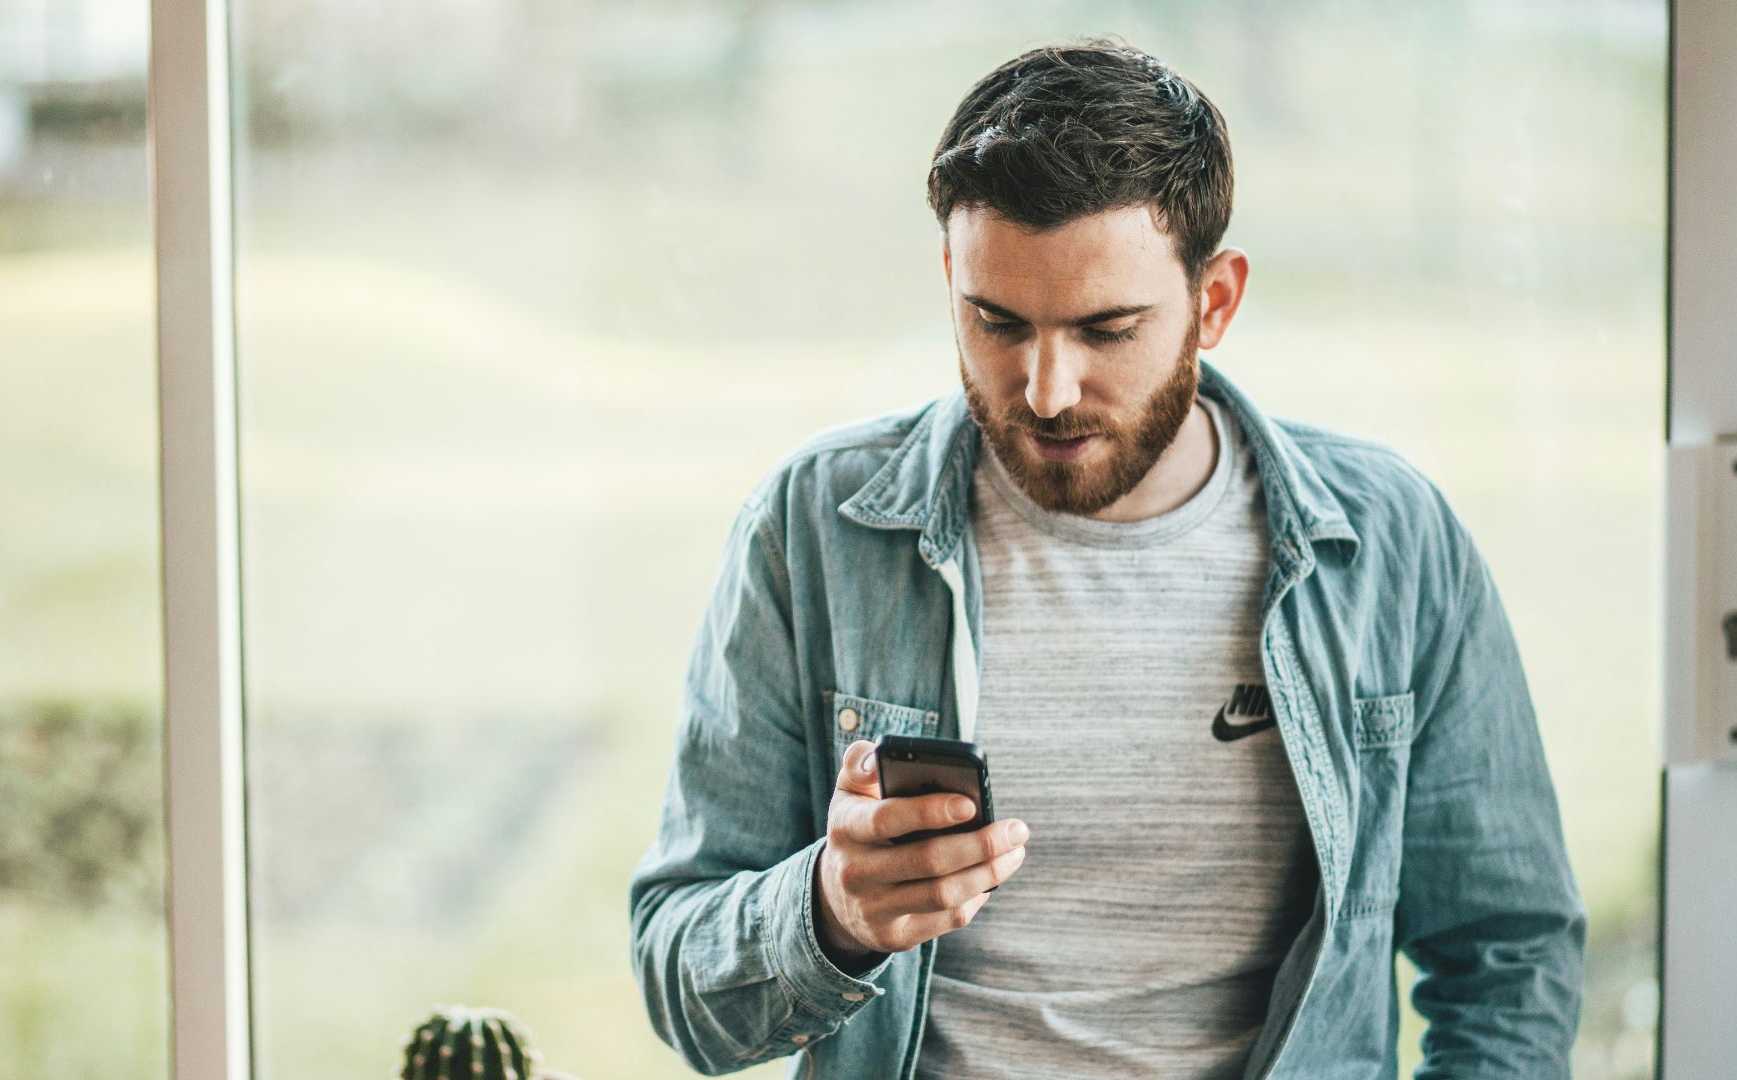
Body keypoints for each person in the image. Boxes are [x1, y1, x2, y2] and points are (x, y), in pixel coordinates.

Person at [628, 38, 1585, 1080]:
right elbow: (684, 983)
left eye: (1107, 329)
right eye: (996, 322)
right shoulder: (815, 527)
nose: (1045, 390)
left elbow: (1509, 958)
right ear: (950, 277)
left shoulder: (1393, 541)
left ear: (1215, 301)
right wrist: (830, 913)